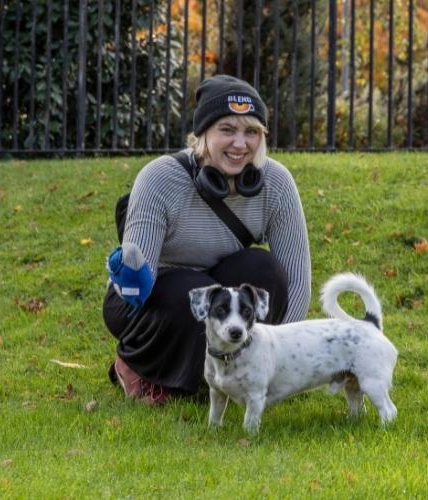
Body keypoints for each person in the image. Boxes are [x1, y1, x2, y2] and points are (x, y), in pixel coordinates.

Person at [103, 74, 311, 405]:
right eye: (227, 130)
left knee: (265, 270)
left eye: (251, 132)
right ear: (202, 134)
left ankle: (232, 370)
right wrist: (131, 270)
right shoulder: (160, 177)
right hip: (144, 298)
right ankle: (135, 365)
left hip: (213, 289)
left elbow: (296, 282)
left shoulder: (276, 183)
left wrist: (281, 358)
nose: (240, 144)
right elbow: (135, 289)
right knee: (192, 291)